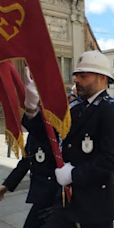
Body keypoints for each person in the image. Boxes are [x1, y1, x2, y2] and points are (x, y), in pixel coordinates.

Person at [43, 50, 114, 227]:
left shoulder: (111, 110)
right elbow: (50, 132)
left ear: (102, 78)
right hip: (69, 199)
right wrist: (31, 109)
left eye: (83, 76)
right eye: (76, 76)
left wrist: (73, 174)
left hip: (95, 203)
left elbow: (113, 158)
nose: (76, 80)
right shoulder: (76, 107)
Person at [0, 73, 60, 228]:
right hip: (43, 195)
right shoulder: (37, 128)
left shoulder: (57, 122)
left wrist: (32, 111)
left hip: (56, 196)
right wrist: (6, 186)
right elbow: (27, 159)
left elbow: (42, 130)